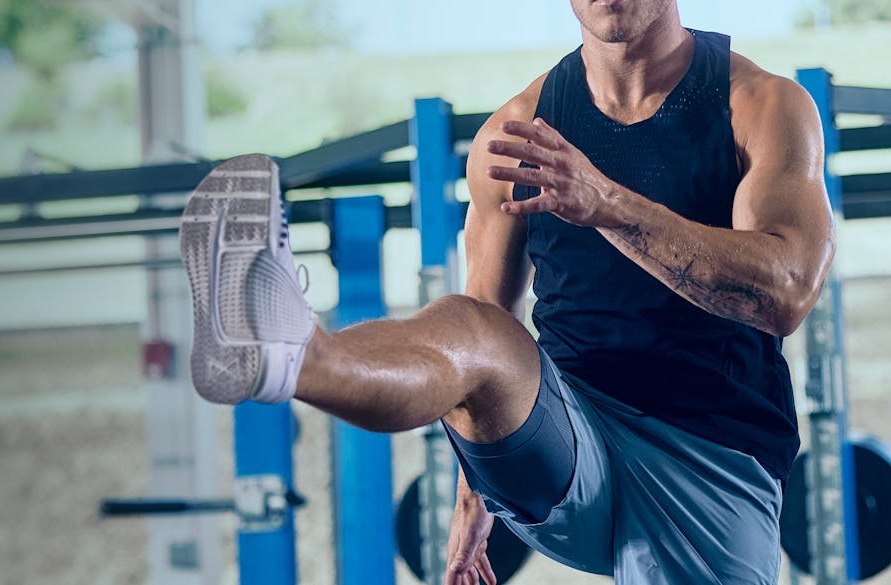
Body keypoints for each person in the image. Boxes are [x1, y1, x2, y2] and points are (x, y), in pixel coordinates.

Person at [175, 1, 834, 583]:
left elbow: (787, 292)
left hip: (712, 459)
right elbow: (469, 357)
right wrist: (474, 492)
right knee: (475, 324)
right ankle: (293, 354)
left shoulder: (761, 106)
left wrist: (607, 204)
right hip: (570, 435)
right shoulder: (514, 133)